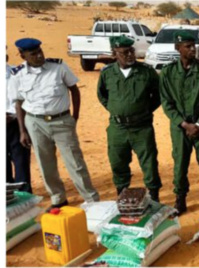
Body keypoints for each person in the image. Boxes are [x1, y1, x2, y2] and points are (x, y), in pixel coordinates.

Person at [9, 38, 100, 208]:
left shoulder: (58, 67)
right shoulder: (17, 74)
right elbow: (18, 103)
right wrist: (22, 131)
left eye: (40, 52)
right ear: (23, 56)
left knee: (75, 163)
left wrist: (75, 117)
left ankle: (91, 199)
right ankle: (58, 198)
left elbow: (74, 89)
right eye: (33, 54)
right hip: (35, 123)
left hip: (62, 121)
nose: (38, 56)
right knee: (45, 164)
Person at [159, 31, 199, 216]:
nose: (193, 49)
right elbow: (166, 102)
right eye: (188, 46)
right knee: (180, 164)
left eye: (194, 46)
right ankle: (180, 200)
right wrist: (184, 124)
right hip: (180, 128)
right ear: (178, 48)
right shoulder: (168, 72)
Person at [97, 36, 162, 201]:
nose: (130, 55)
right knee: (118, 162)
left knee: (149, 164)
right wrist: (116, 110)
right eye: (124, 52)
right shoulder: (107, 73)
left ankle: (154, 198)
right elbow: (103, 95)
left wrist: (143, 110)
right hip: (117, 128)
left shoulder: (146, 72)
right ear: (114, 54)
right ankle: (122, 194)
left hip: (142, 127)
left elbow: (159, 95)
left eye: (131, 51)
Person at [6, 52, 32, 193]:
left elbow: (23, 98)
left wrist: (11, 114)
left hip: (16, 122)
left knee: (21, 160)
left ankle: (24, 194)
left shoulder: (17, 73)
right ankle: (7, 195)